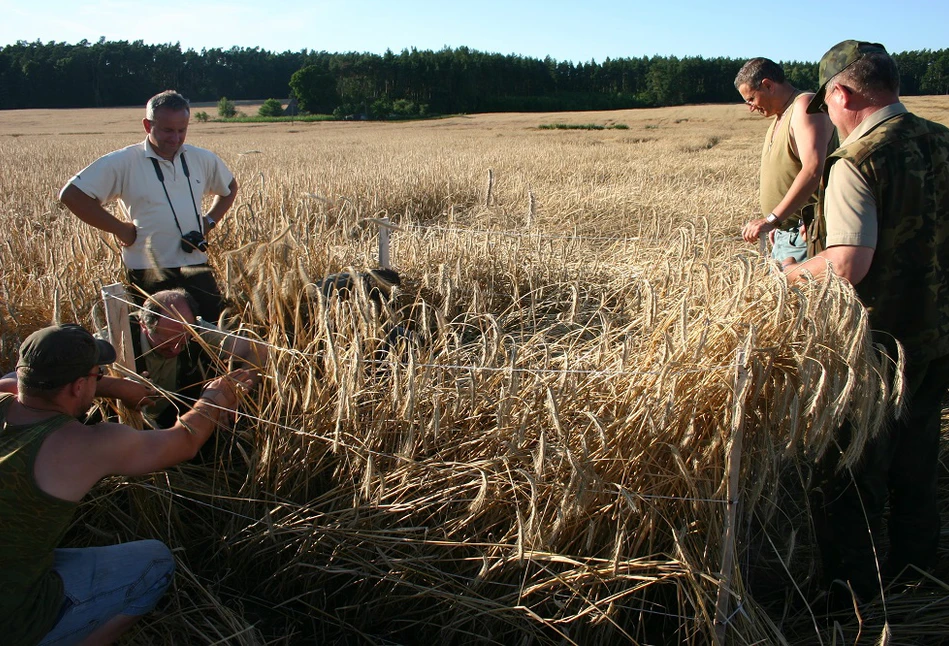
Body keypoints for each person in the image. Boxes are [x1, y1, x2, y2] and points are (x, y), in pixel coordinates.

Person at [787, 40, 949, 603]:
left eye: (827, 105)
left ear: (842, 92)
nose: (828, 118)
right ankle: (918, 581)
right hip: (937, 339)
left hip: (874, 349)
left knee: (847, 472)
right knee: (918, 464)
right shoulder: (942, 141)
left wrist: (786, 274)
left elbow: (848, 263)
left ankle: (849, 598)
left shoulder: (858, 160)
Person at [0, 323, 255, 645]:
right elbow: (184, 442)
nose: (100, 380)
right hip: (11, 619)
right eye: (97, 374)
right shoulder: (85, 444)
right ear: (79, 386)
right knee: (154, 562)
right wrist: (213, 400)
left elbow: (12, 383)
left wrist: (115, 387)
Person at [59, 90, 239, 322]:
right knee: (160, 341)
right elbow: (72, 195)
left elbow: (229, 188)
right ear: (147, 125)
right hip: (148, 271)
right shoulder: (123, 161)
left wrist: (209, 221)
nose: (175, 138)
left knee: (215, 332)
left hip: (195, 263)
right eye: (167, 130)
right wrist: (120, 229)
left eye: (181, 130)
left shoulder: (201, 159)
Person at [736, 58, 836, 265]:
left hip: (805, 233)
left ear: (768, 85)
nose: (751, 108)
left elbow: (812, 169)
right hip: (786, 233)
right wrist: (779, 225)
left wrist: (773, 219)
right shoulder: (781, 115)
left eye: (751, 99)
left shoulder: (804, 106)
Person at [125, 289, 266, 428]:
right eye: (166, 342)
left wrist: (235, 396)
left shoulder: (196, 330)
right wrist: (119, 387)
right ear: (143, 325)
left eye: (183, 341)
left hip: (178, 424)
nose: (175, 350)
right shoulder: (118, 340)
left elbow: (259, 350)